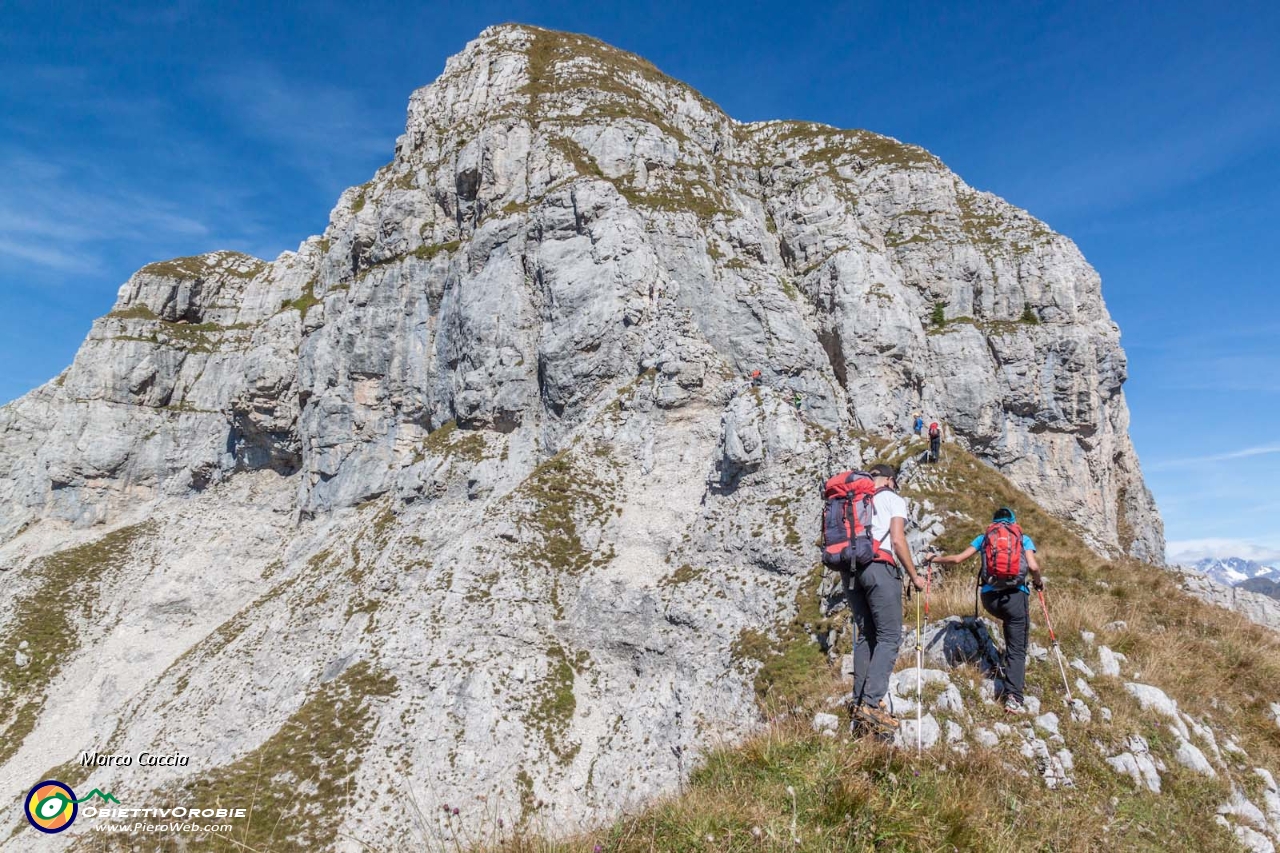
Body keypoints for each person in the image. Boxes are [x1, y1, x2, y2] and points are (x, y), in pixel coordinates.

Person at [929, 507, 1044, 714]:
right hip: (1015, 597)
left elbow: (957, 559)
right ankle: (1013, 698)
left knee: (1006, 622)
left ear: (994, 522)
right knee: (1016, 648)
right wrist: (1038, 584)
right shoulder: (1022, 538)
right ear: (1013, 522)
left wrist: (933, 559)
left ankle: (995, 664)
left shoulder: (984, 538)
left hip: (989, 599)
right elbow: (1033, 567)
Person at [847, 463, 927, 734]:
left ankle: (859, 701)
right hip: (879, 567)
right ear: (891, 480)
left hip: (850, 572)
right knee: (890, 636)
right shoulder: (892, 498)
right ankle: (871, 703)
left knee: (865, 636)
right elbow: (897, 540)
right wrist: (914, 576)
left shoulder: (855, 499)